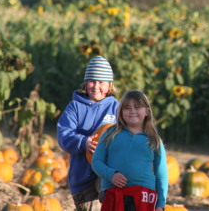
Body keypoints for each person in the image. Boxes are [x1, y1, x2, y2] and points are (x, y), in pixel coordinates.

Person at [57, 55, 119, 211]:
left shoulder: (116, 108)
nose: (96, 86)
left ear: (109, 85)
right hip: (82, 177)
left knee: (112, 201)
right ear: (85, 83)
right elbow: (64, 133)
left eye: (101, 82)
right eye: (92, 81)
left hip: (107, 172)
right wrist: (83, 142)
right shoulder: (75, 107)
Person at [91, 90, 168, 211]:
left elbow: (161, 174)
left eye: (137, 107)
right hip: (113, 192)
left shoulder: (154, 139)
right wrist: (111, 175)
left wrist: (160, 205)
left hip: (143, 196)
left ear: (147, 111)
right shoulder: (110, 133)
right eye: (127, 108)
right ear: (121, 112)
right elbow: (96, 161)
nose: (132, 111)